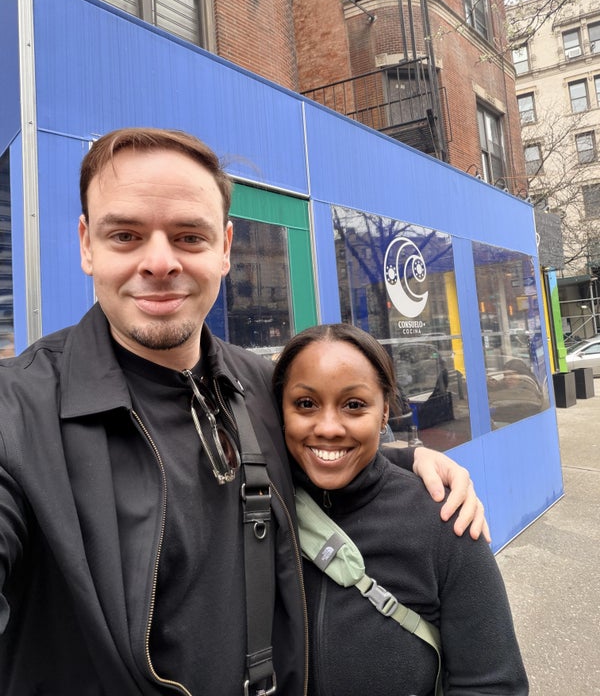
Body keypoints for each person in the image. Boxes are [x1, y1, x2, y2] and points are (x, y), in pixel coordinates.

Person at [0, 127, 486, 695]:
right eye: (125, 235)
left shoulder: (258, 383)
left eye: (189, 236)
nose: (159, 262)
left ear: (225, 248)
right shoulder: (17, 411)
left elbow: (321, 448)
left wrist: (408, 462)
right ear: (88, 245)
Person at [273, 323, 529, 696]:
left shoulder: (445, 520)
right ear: (280, 410)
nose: (328, 428)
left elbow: (493, 685)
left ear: (384, 414)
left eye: (354, 405)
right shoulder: (259, 509)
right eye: (306, 404)